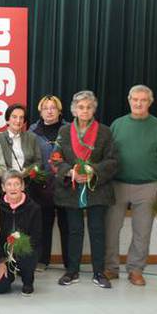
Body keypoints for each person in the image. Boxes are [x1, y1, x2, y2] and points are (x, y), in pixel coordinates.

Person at [104, 85, 157, 286]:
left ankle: (136, 269)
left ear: (149, 102)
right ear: (129, 100)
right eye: (135, 99)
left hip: (149, 186)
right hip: (117, 184)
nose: (138, 103)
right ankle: (111, 268)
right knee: (111, 228)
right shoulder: (117, 124)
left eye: (143, 100)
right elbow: (108, 155)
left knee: (143, 231)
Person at [52, 90, 118, 289]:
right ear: (74, 109)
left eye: (89, 107)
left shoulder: (105, 132)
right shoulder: (64, 132)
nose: (85, 110)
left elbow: (113, 161)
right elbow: (55, 159)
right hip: (71, 189)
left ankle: (99, 272)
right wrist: (70, 172)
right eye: (81, 107)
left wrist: (93, 171)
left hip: (97, 188)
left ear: (94, 109)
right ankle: (72, 271)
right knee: (74, 231)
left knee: (97, 230)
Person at [29, 95, 69, 271]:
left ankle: (70, 262)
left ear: (59, 111)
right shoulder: (32, 131)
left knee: (67, 225)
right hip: (41, 186)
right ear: (41, 111)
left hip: (65, 185)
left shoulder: (69, 130)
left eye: (53, 107)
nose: (50, 111)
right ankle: (41, 260)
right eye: (46, 108)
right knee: (43, 225)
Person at [0, 171, 42, 296]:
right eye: (9, 184)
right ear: (3, 187)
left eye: (17, 184)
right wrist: (1, 262)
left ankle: (28, 280)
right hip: (3, 252)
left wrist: (20, 246)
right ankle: (6, 273)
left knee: (27, 256)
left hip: (25, 250)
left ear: (22, 186)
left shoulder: (34, 208)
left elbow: (36, 237)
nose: (13, 188)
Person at [0, 104, 42, 174]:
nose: (18, 121)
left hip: (27, 180)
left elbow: (39, 162)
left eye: (21, 117)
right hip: (5, 181)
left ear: (24, 122)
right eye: (14, 117)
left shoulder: (32, 138)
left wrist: (27, 172)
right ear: (7, 120)